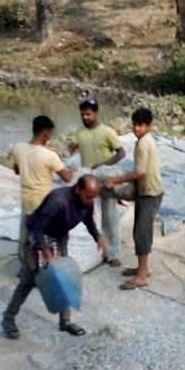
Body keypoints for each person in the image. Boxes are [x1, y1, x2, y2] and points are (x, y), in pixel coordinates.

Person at [1, 175, 108, 340]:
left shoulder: (87, 200)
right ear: (78, 189)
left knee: (64, 278)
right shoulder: (58, 200)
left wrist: (97, 237)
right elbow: (36, 227)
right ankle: (8, 319)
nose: (90, 201)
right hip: (37, 236)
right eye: (87, 196)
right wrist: (44, 250)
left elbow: (88, 221)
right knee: (29, 280)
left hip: (59, 236)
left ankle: (65, 322)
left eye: (93, 198)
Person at [103, 108, 163, 290]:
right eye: (135, 124)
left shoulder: (144, 144)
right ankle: (142, 269)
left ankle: (142, 276)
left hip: (150, 193)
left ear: (148, 126)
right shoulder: (143, 141)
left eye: (141, 125)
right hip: (147, 192)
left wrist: (115, 179)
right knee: (140, 230)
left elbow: (140, 172)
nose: (136, 128)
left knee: (141, 233)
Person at [67, 97, 127, 266]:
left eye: (88, 114)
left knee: (109, 217)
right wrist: (67, 157)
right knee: (88, 216)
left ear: (96, 113)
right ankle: (91, 252)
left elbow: (121, 153)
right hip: (87, 182)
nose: (85, 117)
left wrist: (103, 165)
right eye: (82, 114)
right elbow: (72, 148)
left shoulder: (106, 132)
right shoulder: (80, 132)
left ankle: (112, 254)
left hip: (104, 180)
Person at [12, 115, 74, 267]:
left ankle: (25, 267)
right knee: (53, 236)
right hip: (45, 203)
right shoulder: (50, 155)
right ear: (46, 134)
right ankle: (55, 263)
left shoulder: (18, 148)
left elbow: (17, 170)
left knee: (26, 236)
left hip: (27, 201)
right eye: (50, 134)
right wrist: (71, 169)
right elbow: (66, 178)